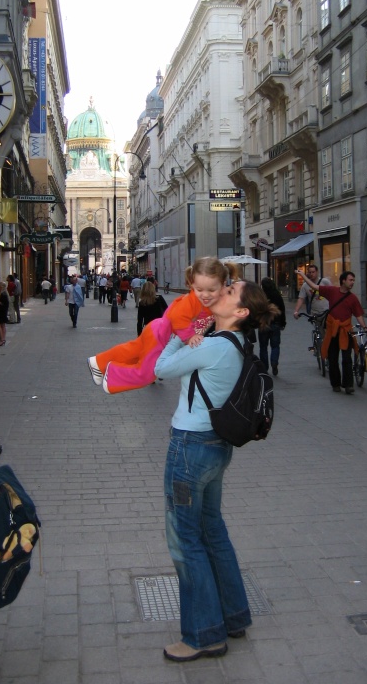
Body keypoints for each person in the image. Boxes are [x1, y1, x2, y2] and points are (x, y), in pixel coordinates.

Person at [153, 279, 278, 662]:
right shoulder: (237, 343)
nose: (220, 292)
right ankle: (233, 614)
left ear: (240, 311)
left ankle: (203, 636)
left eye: (229, 291)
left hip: (190, 450)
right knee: (212, 531)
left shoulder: (211, 346)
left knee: (186, 541)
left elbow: (161, 368)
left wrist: (183, 335)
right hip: (215, 448)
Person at [87, 257, 239, 395]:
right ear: (193, 285)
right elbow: (178, 316)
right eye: (199, 290)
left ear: (222, 286)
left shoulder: (214, 297)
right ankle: (112, 376)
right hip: (160, 337)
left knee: (132, 350)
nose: (205, 295)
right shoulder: (192, 300)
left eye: (211, 290)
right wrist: (190, 336)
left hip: (156, 330)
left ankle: (99, 362)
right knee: (147, 374)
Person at [297, 269, 367, 394]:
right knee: (333, 358)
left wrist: (365, 328)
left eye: (353, 280)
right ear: (343, 281)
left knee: (347, 359)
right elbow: (314, 286)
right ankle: (336, 384)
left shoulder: (353, 298)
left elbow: (358, 315)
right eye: (350, 280)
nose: (352, 282)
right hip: (333, 330)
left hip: (345, 330)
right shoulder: (332, 291)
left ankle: (348, 385)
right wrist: (302, 275)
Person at [258, 277, 286, 375]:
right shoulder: (277, 295)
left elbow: (257, 310)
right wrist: (283, 322)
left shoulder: (261, 296)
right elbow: (282, 310)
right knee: (275, 346)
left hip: (263, 324)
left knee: (263, 347)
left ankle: (264, 367)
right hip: (275, 323)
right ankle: (274, 362)